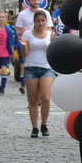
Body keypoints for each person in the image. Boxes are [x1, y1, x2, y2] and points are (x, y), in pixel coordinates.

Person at [22, 9, 56, 138]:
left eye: (42, 20)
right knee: (33, 99)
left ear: (45, 21)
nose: (40, 23)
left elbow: (53, 51)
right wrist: (24, 46)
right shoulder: (27, 34)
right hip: (31, 67)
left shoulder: (50, 34)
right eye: (38, 21)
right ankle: (34, 127)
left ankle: (44, 124)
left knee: (46, 97)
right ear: (34, 22)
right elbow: (25, 54)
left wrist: (54, 41)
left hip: (47, 67)